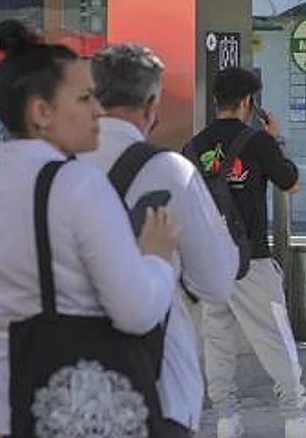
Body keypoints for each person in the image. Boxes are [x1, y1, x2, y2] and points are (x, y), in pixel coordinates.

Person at [0, 20, 179, 437]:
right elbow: (135, 311)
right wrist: (157, 259)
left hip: (1, 402)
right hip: (72, 407)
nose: (98, 109)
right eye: (84, 97)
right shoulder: (77, 184)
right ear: (42, 112)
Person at [79, 43, 240, 436]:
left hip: (63, 385)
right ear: (152, 104)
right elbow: (217, 281)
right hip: (157, 388)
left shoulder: (55, 168)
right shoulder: (170, 172)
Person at [182, 66, 306, 438]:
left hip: (208, 261)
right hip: (251, 259)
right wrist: (276, 140)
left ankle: (225, 418)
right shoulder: (258, 141)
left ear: (216, 99)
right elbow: (291, 183)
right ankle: (295, 416)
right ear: (250, 102)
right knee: (275, 337)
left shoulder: (193, 146)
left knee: (216, 338)